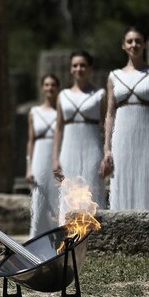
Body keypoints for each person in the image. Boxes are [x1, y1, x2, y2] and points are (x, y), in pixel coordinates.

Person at [99, 27, 149, 210]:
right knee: (122, 179)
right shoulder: (114, 76)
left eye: (138, 41)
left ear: (144, 45)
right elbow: (110, 114)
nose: (134, 45)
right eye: (130, 41)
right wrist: (107, 149)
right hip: (122, 137)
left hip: (148, 136)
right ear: (123, 45)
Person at [53, 51, 107, 208]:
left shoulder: (99, 95)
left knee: (92, 193)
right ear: (71, 69)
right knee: (69, 195)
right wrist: (55, 158)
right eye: (75, 65)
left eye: (83, 65)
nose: (79, 69)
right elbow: (58, 128)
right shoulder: (63, 95)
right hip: (68, 153)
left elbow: (107, 125)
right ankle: (68, 232)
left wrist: (107, 154)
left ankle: (94, 232)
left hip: (93, 152)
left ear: (90, 68)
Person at [26, 73, 60, 237]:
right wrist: (28, 167)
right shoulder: (34, 112)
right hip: (39, 157)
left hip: (56, 158)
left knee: (56, 199)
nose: (50, 88)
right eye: (46, 85)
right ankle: (35, 238)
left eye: (53, 85)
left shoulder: (62, 112)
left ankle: (56, 238)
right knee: (39, 199)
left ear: (57, 88)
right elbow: (30, 141)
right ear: (42, 88)